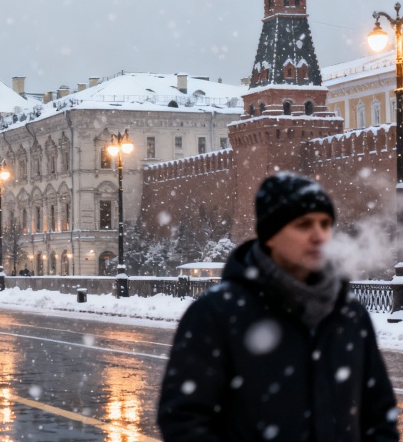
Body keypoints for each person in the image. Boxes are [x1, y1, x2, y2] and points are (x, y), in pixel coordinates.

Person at [158, 173, 399, 441]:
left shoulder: (350, 315)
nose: (319, 235)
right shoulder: (216, 314)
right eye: (303, 224)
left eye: (325, 224)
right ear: (271, 235)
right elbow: (183, 417)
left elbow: (379, 415)